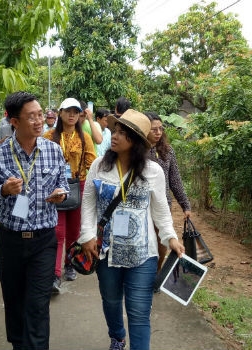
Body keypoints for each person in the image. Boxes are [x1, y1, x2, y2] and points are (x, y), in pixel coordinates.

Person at [77, 109, 185, 350]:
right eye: (115, 130)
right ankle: (117, 336)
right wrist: (87, 235)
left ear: (135, 142)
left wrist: (171, 238)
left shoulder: (153, 171)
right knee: (111, 301)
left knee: (139, 311)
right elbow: (89, 202)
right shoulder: (99, 166)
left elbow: (161, 211)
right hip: (105, 252)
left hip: (142, 255)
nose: (114, 136)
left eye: (122, 133)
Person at [0, 91, 69, 350]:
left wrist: (60, 195)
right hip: (11, 241)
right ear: (14, 122)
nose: (39, 120)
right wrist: (3, 190)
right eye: (31, 117)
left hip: (43, 241)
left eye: (40, 114)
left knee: (38, 304)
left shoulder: (53, 150)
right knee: (15, 302)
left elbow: (64, 183)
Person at [43, 97, 96, 292]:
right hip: (57, 187)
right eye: (68, 111)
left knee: (74, 232)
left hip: (78, 186)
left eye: (76, 111)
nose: (72, 115)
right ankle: (55, 274)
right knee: (57, 232)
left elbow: (93, 163)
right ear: (60, 114)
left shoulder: (84, 138)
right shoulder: (49, 136)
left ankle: (70, 265)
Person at [146, 112, 192, 272]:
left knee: (161, 244)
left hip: (163, 204)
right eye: (153, 129)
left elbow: (175, 180)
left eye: (160, 129)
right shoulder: (136, 152)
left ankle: (156, 274)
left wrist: (185, 205)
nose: (158, 132)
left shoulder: (168, 151)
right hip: (142, 205)